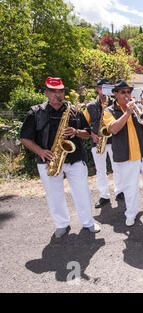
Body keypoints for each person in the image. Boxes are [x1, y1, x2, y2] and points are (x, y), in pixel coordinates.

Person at [19, 77, 100, 238]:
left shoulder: (74, 110)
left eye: (61, 91)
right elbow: (24, 138)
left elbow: (87, 132)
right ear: (46, 93)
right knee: (54, 194)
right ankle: (62, 223)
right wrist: (40, 151)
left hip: (75, 158)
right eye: (54, 91)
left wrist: (76, 132)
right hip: (48, 160)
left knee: (82, 191)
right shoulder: (36, 112)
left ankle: (88, 222)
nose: (58, 94)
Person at [103, 80, 143, 226]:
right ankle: (131, 214)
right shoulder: (109, 111)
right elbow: (113, 129)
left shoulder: (139, 107)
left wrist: (138, 113)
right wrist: (127, 112)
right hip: (126, 155)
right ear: (115, 94)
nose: (127, 95)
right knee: (130, 187)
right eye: (123, 92)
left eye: (128, 92)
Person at [83, 78, 123, 208]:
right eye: (100, 88)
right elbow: (83, 124)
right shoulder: (90, 106)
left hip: (114, 140)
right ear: (97, 89)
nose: (103, 90)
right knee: (101, 170)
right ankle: (104, 195)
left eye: (105, 88)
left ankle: (119, 191)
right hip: (98, 141)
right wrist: (92, 134)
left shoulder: (116, 104)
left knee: (117, 167)